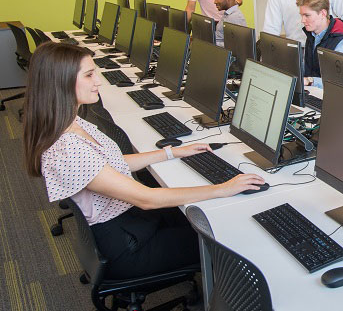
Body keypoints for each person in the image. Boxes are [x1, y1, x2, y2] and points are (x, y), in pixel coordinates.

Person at [22, 43, 264, 280]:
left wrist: (171, 153)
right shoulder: (68, 147)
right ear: (61, 81)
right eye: (89, 75)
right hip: (127, 246)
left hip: (129, 221)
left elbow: (112, 163)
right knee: (225, 242)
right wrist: (223, 189)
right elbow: (146, 199)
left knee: (197, 214)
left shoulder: (71, 123)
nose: (98, 80)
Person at [297, 0, 343, 88]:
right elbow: (310, 68)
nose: (302, 20)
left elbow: (340, 82)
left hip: (333, 96)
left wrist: (309, 81)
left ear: (323, 14)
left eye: (307, 15)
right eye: (302, 15)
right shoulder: (312, 35)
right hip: (313, 91)